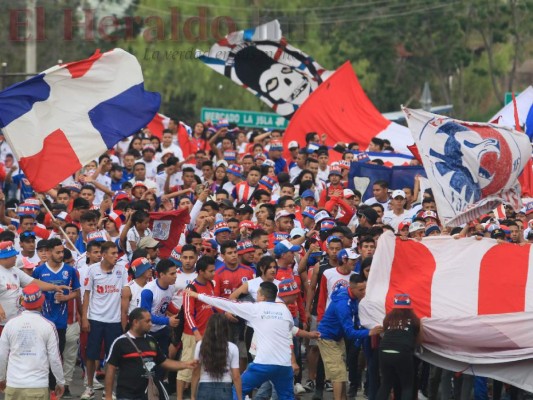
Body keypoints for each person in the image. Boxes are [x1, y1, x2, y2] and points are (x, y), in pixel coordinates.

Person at [186, 281, 295, 400]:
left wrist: (197, 295)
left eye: (258, 294)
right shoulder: (285, 311)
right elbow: (289, 329)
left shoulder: (255, 308)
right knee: (287, 397)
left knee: (238, 390)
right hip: (285, 364)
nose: (256, 296)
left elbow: (225, 303)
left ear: (263, 297)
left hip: (263, 363)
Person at [104, 307, 197, 400]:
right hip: (127, 395)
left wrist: (186, 364)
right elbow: (110, 369)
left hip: (149, 394)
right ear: (135, 322)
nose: (151, 324)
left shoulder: (151, 341)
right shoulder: (120, 342)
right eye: (147, 321)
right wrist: (108, 396)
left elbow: (164, 362)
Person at [317, 274, 383, 400]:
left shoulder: (351, 298)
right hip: (328, 338)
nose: (364, 292)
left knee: (341, 373)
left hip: (336, 337)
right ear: (351, 289)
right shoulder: (343, 304)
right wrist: (369, 332)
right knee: (338, 373)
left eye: (365, 289)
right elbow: (350, 332)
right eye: (361, 290)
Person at [0, 284, 65, 400]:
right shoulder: (48, 326)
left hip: (14, 385)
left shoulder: (10, 324)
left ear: (23, 303)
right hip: (38, 386)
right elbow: (55, 358)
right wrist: (60, 382)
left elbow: (2, 355)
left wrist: (1, 379)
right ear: (41, 303)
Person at [376, 294, 422, 400]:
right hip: (403, 352)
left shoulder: (388, 318)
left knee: (386, 384)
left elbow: (384, 334)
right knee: (407, 386)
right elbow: (419, 341)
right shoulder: (415, 320)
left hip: (384, 350)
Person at [191, 313, 242, 400]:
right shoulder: (233, 348)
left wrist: (192, 395)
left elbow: (196, 372)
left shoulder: (201, 345)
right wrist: (240, 398)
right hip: (225, 388)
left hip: (204, 388)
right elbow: (236, 376)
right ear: (226, 328)